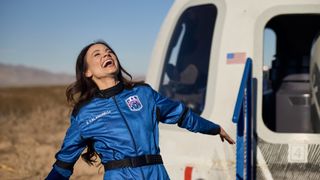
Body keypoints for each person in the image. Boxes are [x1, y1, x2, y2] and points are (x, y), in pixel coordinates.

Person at [46, 40, 235, 180]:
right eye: (97, 54)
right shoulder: (84, 114)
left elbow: (182, 115)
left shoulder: (144, 94)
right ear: (87, 72)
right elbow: (64, 162)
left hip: (157, 173)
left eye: (109, 51)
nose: (106, 54)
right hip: (119, 176)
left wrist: (214, 128)